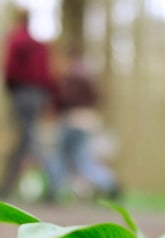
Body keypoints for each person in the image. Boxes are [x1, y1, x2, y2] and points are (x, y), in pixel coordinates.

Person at [0, 8, 56, 202]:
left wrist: (9, 87)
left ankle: (53, 184)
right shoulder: (40, 46)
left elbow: (9, 67)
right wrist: (47, 98)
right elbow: (47, 74)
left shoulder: (16, 40)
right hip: (38, 95)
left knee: (29, 140)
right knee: (25, 139)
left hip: (21, 93)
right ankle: (5, 186)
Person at [47, 46, 121, 201]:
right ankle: (109, 182)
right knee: (83, 159)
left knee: (61, 156)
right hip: (88, 120)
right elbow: (98, 97)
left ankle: (56, 189)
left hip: (72, 119)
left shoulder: (69, 77)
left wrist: (56, 108)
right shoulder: (89, 75)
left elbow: (63, 98)